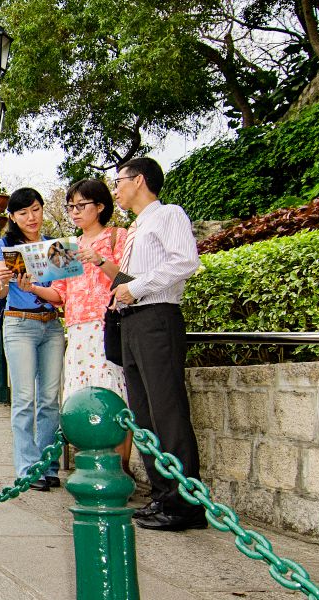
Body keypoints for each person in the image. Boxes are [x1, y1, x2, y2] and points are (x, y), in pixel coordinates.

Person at [109, 157, 205, 531]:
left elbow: (185, 261)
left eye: (119, 181)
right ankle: (162, 495)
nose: (116, 189)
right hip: (132, 322)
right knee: (143, 414)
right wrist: (122, 291)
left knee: (168, 412)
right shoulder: (135, 228)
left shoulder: (168, 215)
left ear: (139, 180)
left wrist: (135, 287)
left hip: (157, 318)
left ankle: (186, 504)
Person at [30, 179, 132, 473]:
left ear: (100, 206)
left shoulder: (118, 236)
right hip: (76, 329)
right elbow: (59, 295)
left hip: (107, 325)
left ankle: (120, 467)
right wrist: (32, 287)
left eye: (81, 205)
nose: (74, 212)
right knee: (80, 396)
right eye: (70, 206)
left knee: (114, 393)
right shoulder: (65, 248)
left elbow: (129, 280)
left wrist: (99, 260)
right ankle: (89, 465)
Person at [0, 187, 65, 492]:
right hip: (19, 324)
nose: (31, 217)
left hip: (52, 325)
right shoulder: (3, 246)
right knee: (24, 398)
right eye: (23, 212)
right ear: (12, 216)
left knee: (49, 399)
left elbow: (62, 294)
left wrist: (35, 287)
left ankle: (48, 464)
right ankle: (27, 469)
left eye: (35, 209)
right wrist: (2, 282)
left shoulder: (54, 246)